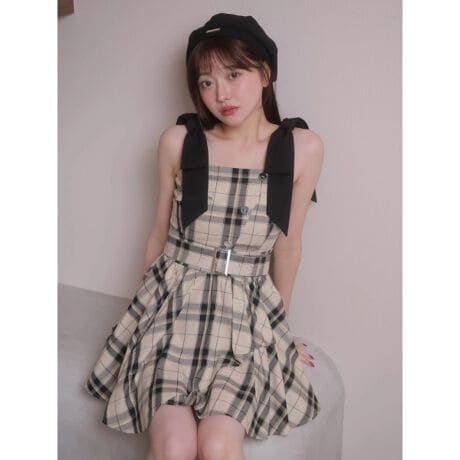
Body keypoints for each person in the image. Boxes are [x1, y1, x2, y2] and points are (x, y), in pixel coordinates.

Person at [84, 12, 324, 460]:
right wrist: (141, 316)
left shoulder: (301, 148)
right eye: (206, 81)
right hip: (174, 308)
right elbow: (158, 234)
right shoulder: (179, 141)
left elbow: (288, 245)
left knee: (218, 445)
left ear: (265, 73)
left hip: (245, 316)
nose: (221, 94)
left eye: (234, 75)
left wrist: (280, 330)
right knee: (174, 445)